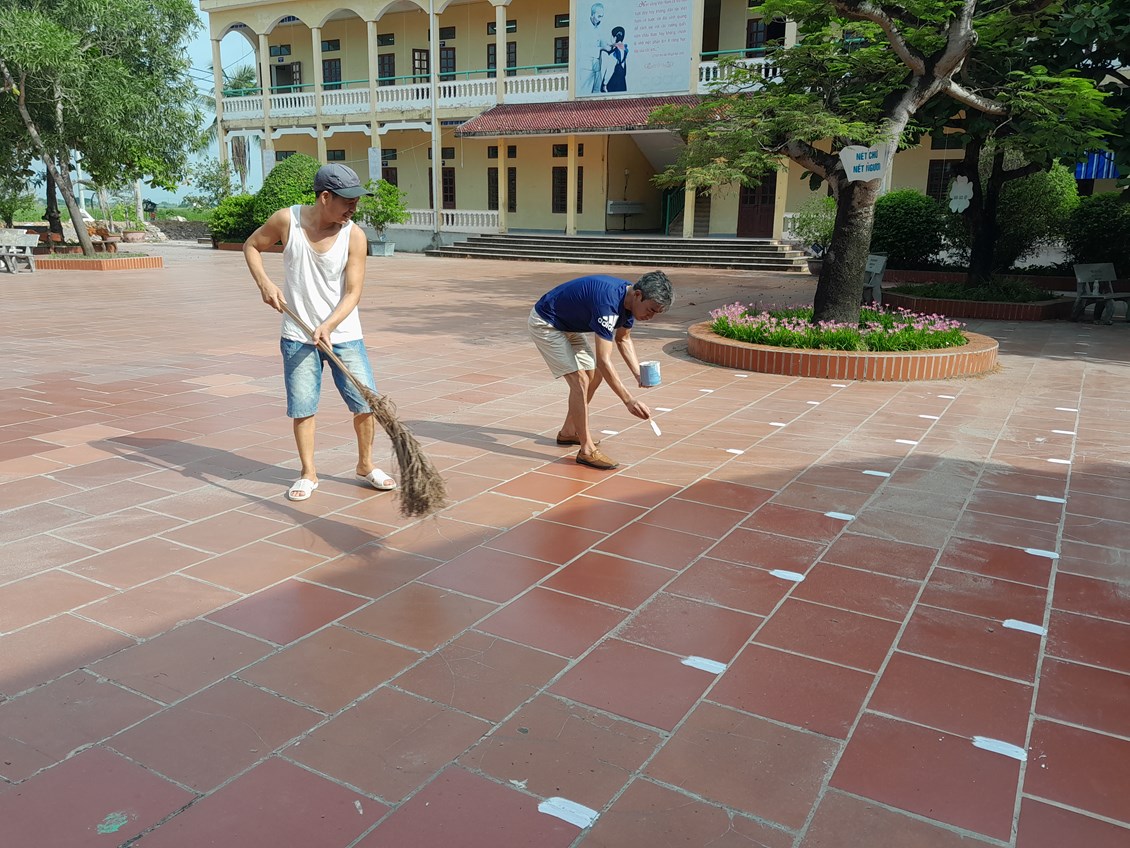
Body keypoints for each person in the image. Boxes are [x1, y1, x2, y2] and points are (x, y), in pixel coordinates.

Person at [243, 163, 398, 502]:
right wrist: (264, 283)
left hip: (344, 335)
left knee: (365, 403)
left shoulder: (354, 235)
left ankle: (366, 465)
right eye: (348, 201)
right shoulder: (287, 221)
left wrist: (329, 325)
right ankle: (308, 473)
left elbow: (353, 292)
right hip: (298, 335)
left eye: (356, 201)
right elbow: (251, 246)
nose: (353, 208)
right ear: (325, 197)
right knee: (302, 407)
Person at [529, 271, 674, 470]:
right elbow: (604, 361)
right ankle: (586, 450)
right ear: (638, 295)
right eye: (650, 310)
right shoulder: (608, 304)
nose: (651, 316)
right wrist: (628, 400)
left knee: (593, 375)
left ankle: (569, 431)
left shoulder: (629, 301)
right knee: (580, 381)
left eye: (656, 313)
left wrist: (638, 373)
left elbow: (623, 339)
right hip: (547, 323)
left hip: (568, 325)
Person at [585, 3, 609, 94]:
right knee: (586, 91)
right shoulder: (584, 28)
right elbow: (584, 49)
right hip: (587, 66)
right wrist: (602, 48)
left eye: (602, 17)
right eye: (599, 16)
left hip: (597, 64)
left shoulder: (598, 27)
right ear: (592, 14)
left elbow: (602, 42)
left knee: (597, 90)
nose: (600, 19)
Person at [602, 26, 628, 92]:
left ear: (615, 37)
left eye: (611, 36)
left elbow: (610, 70)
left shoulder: (614, 52)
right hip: (622, 82)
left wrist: (605, 84)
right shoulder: (624, 49)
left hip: (613, 83)